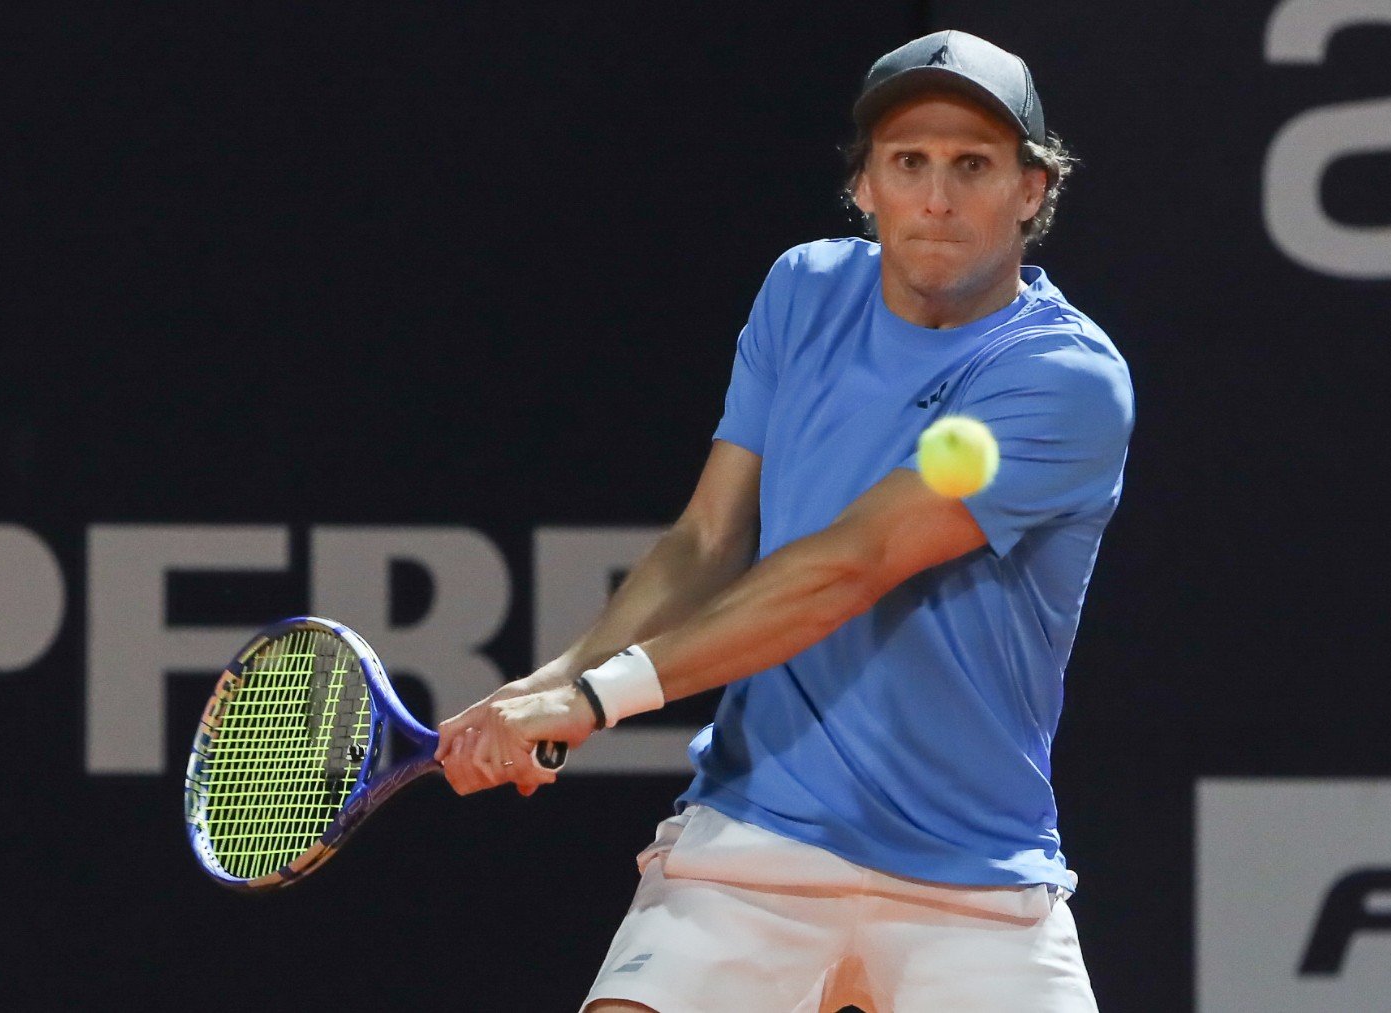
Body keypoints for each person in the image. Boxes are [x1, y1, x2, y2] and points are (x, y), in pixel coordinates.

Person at [435, 29, 1132, 1013]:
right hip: (751, 842)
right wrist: (548, 685)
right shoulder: (802, 293)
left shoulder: (1067, 381)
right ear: (865, 186)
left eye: (973, 165)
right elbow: (709, 536)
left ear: (1031, 187)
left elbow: (852, 565)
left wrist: (598, 699)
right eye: (909, 163)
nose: (937, 196)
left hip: (975, 879)